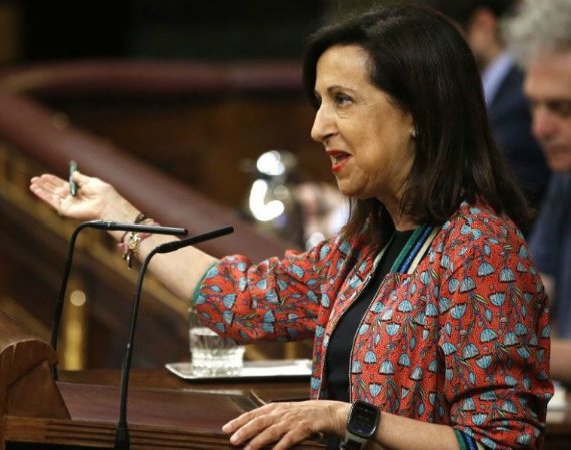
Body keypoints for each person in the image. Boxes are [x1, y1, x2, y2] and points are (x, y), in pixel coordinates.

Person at [30, 5, 552, 449]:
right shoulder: (368, 244)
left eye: (342, 100)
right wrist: (123, 217)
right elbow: (242, 300)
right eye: (319, 102)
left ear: (417, 111)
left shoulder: (481, 251)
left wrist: (347, 418)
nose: (318, 127)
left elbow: (500, 441)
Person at [421, 0, 550, 226]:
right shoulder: (495, 92)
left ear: (482, 26)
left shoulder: (524, 96)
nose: (430, 56)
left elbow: (495, 193)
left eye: (441, 39)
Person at [503, 0, 571, 378]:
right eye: (534, 106)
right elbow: (533, 293)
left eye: (561, 108)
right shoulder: (566, 178)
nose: (539, 129)